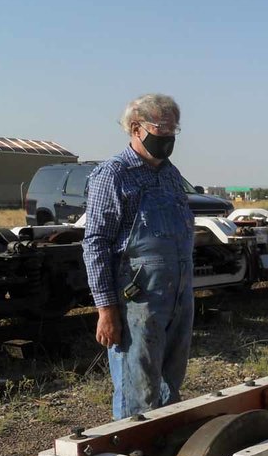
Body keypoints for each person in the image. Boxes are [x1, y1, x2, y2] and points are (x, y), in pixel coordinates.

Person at [82, 94, 195, 420]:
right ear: (135, 127)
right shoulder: (113, 176)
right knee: (138, 391)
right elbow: (96, 244)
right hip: (138, 301)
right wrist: (106, 309)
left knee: (169, 385)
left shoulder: (172, 175)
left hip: (177, 297)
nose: (168, 138)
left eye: (174, 130)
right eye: (162, 129)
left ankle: (165, 452)